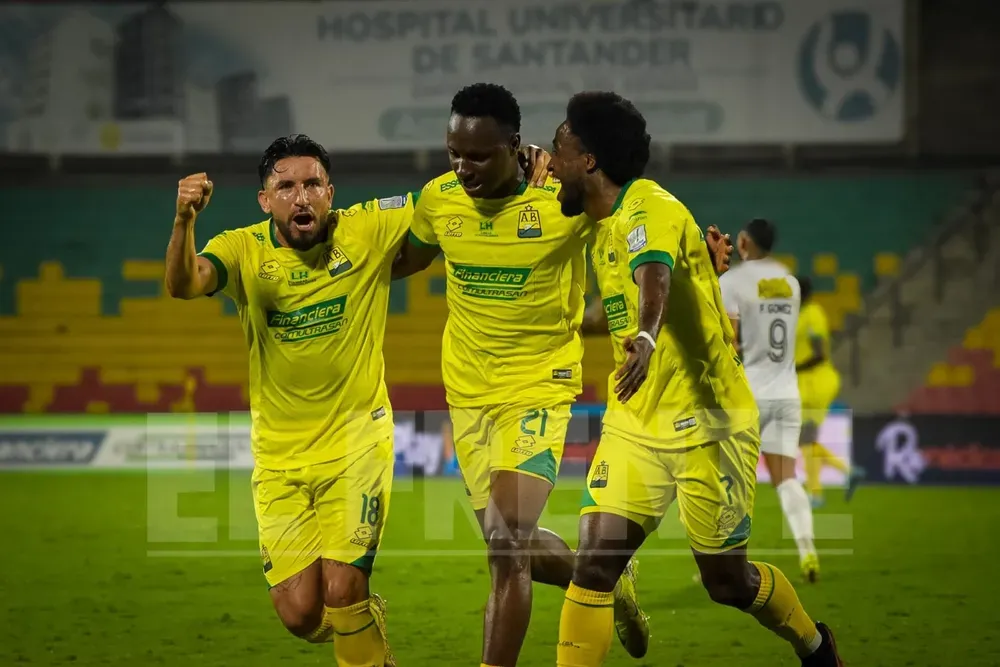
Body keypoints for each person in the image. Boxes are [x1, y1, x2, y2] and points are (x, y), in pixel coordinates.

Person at [164, 134, 551, 667]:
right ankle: (368, 634)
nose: (301, 197)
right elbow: (184, 283)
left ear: (331, 192)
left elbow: (449, 200)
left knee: (344, 590)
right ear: (264, 199)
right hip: (279, 457)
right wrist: (185, 220)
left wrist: (517, 161)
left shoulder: (366, 228)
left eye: (313, 184)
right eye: (286, 186)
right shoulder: (241, 249)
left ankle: (359, 624)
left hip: (357, 442)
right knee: (301, 614)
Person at [547, 92, 844, 667]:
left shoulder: (647, 208)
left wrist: (649, 337)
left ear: (588, 160)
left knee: (726, 582)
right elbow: (623, 303)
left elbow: (652, 278)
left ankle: (815, 645)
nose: (552, 162)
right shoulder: (599, 222)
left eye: (559, 148)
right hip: (636, 421)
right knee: (594, 563)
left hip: (711, 424)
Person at [718, 219, 820, 582]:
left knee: (729, 477)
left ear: (743, 241)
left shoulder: (733, 281)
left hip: (752, 392)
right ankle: (808, 551)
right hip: (787, 391)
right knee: (786, 477)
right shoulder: (789, 282)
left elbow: (727, 338)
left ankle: (723, 565)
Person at [794, 275, 864, 507]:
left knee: (806, 438)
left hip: (817, 382)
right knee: (805, 440)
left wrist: (792, 367)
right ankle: (846, 472)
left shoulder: (813, 314)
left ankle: (816, 493)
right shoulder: (800, 314)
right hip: (806, 383)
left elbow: (819, 354)